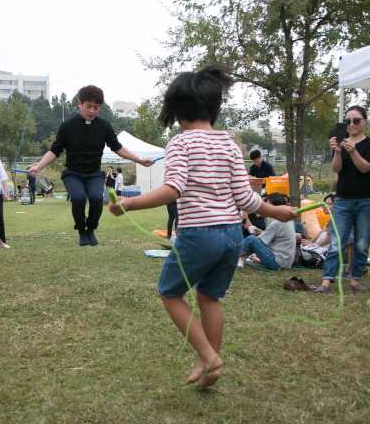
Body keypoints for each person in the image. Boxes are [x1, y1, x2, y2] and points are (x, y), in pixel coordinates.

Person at [108, 65, 296, 387]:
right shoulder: (230, 146)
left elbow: (174, 189)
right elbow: (246, 199)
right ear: (213, 107)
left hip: (199, 235)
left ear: (177, 109)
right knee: (209, 297)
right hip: (232, 236)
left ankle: (208, 356)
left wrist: (129, 204)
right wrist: (276, 212)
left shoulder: (180, 143)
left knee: (169, 293)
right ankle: (209, 365)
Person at [26, 85, 153, 246]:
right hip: (73, 174)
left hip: (94, 174)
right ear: (80, 104)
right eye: (88, 106)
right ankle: (81, 230)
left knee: (96, 198)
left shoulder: (104, 126)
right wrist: (38, 166)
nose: (92, 111)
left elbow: (118, 148)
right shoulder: (67, 126)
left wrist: (139, 160)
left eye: (96, 107)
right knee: (78, 198)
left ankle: (91, 229)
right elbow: (55, 151)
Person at [314, 105, 370, 294]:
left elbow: (365, 168)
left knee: (361, 242)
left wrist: (352, 151)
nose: (352, 124)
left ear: (364, 121)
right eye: (347, 121)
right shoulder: (341, 143)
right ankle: (327, 280)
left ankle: (355, 279)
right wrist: (337, 151)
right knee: (337, 241)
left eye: (356, 120)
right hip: (343, 199)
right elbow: (336, 169)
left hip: (366, 199)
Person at [237, 193, 296, 270]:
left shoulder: (277, 223)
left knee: (251, 239)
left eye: (268, 205)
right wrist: (261, 233)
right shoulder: (287, 220)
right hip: (286, 263)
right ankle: (240, 259)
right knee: (254, 238)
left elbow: (261, 241)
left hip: (276, 263)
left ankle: (231, 256)